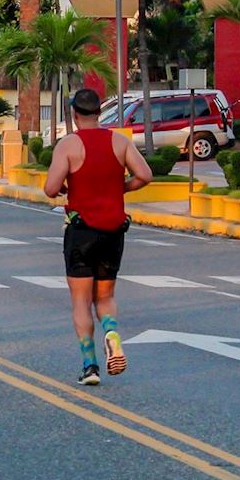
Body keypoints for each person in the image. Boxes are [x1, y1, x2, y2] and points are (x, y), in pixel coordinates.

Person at [43, 88, 153, 386]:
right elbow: (145, 175)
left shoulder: (69, 145)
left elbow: (51, 188)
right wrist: (121, 188)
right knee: (105, 297)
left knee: (80, 300)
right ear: (99, 114)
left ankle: (90, 365)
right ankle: (113, 334)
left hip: (81, 230)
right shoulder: (120, 141)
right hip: (113, 231)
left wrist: (68, 187)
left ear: (75, 115)